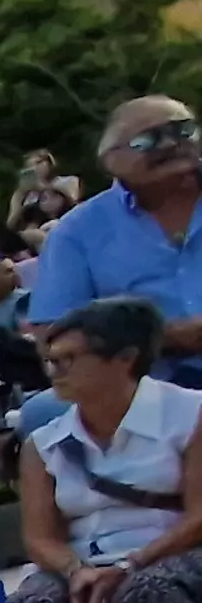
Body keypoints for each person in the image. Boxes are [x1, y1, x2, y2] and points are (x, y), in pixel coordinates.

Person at [6, 297, 202, 603]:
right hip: (86, 565)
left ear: (124, 359)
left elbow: (199, 517)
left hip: (176, 553)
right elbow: (40, 538)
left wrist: (130, 564)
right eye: (50, 359)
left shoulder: (191, 413)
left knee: (146, 591)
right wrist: (75, 571)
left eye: (69, 358)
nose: (53, 371)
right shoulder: (43, 444)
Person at [27, 98, 202, 388]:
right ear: (110, 161)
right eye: (147, 140)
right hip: (141, 391)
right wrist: (164, 337)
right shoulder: (76, 232)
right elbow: (53, 337)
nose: (171, 144)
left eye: (182, 130)